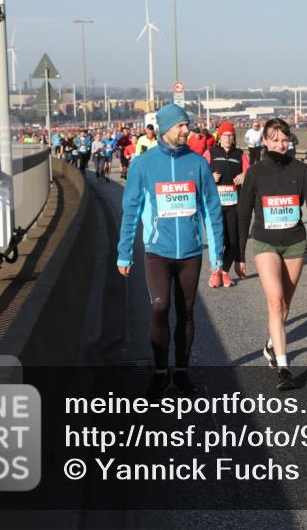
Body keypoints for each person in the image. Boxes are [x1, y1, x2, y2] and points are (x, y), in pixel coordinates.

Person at [117, 104, 224, 398]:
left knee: (186, 312)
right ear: (165, 128)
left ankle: (182, 373)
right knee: (160, 308)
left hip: (190, 252)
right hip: (158, 252)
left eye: (187, 125)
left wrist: (217, 256)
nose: (186, 130)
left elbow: (212, 210)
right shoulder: (144, 164)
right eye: (180, 126)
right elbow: (130, 210)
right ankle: (160, 373)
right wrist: (123, 252)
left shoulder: (198, 163)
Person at [238, 118, 307, 391]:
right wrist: (239, 254)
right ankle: (284, 367)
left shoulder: (301, 171)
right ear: (264, 141)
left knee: (285, 305)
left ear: (290, 141)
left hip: (294, 244)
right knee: (275, 302)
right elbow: (243, 214)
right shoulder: (254, 173)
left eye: (283, 139)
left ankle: (271, 344)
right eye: (273, 139)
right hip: (265, 243)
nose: (279, 144)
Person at [205, 122, 250, 288]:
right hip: (215, 205)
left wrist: (245, 174)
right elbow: (200, 172)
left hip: (234, 204)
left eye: (231, 135)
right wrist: (210, 175)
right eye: (224, 135)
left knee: (233, 241)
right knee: (218, 240)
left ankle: (224, 272)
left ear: (234, 138)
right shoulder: (210, 153)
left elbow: (250, 172)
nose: (228, 138)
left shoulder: (240, 154)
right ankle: (215, 272)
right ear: (219, 137)